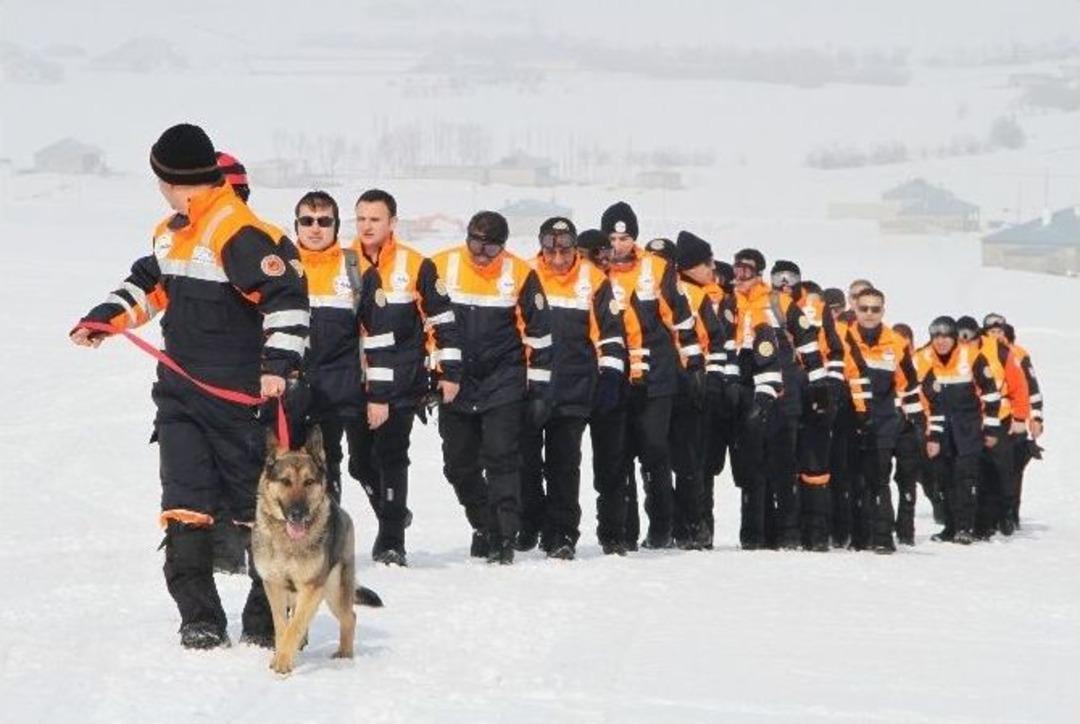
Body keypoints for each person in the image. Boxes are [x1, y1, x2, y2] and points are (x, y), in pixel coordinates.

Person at [70, 123, 308, 648]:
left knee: (258, 513)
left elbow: (287, 298)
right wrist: (103, 320)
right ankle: (199, 617)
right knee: (185, 504)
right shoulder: (171, 230)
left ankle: (267, 619)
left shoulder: (238, 231)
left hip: (240, 402)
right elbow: (147, 285)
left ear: (169, 178)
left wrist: (277, 366)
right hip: (180, 397)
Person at [430, 211, 552, 564]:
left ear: (505, 245)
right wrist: (431, 373)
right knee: (458, 464)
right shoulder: (441, 265)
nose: (482, 253)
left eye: (491, 246)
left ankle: (504, 535)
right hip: (456, 380)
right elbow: (423, 320)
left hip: (503, 379)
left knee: (502, 458)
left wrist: (539, 391)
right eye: (476, 243)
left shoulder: (520, 273)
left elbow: (541, 333)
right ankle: (483, 523)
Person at [350, 189, 461, 566]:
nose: (367, 226)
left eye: (375, 219)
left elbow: (443, 321)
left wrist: (449, 372)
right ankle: (391, 510)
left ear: (392, 223)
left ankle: (392, 539)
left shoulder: (417, 265)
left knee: (391, 455)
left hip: (402, 380)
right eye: (361, 218)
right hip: (354, 381)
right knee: (359, 463)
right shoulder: (344, 263)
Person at [519, 218, 626, 559]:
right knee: (526, 463)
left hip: (574, 388)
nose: (559, 257)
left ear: (574, 247)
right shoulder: (526, 274)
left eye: (565, 249)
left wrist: (609, 377)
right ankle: (531, 521)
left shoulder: (593, 279)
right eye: (551, 249)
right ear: (542, 247)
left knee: (565, 465)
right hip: (531, 386)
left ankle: (562, 534)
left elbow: (610, 333)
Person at [603, 202, 704, 550]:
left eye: (626, 237)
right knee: (620, 452)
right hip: (616, 374)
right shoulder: (595, 272)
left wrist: (693, 365)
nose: (619, 244)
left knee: (654, 448)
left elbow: (681, 318)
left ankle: (663, 524)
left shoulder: (656, 268)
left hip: (657, 374)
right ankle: (625, 530)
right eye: (613, 238)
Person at [840, 288, 922, 553]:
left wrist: (915, 424)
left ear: (883, 311)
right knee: (853, 480)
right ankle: (858, 536)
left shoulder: (896, 343)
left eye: (875, 309)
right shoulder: (843, 337)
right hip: (849, 419)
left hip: (883, 423)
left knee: (879, 479)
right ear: (855, 309)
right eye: (864, 308)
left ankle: (883, 537)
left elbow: (909, 385)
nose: (869, 314)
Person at [916, 317, 1002, 544]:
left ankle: (967, 527)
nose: (941, 341)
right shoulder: (926, 358)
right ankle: (950, 526)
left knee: (966, 478)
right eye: (936, 336)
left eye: (946, 336)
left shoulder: (971, 355)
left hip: (969, 428)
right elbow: (922, 393)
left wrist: (992, 429)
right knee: (944, 479)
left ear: (954, 337)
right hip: (941, 428)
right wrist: (930, 433)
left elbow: (991, 394)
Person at [576, 228, 634, 555]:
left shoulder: (619, 283)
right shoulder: (573, 282)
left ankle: (614, 532)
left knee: (613, 464)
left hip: (612, 380)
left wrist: (613, 378)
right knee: (562, 462)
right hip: (574, 381)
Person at [671, 231, 726, 550]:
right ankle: (692, 526)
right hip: (682, 383)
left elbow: (716, 343)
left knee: (686, 461)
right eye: (707, 262)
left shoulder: (701, 295)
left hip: (690, 385)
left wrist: (712, 381)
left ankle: (689, 526)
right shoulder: (695, 295)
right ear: (692, 266)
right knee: (689, 461)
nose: (712, 268)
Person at [728, 248, 785, 549]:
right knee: (746, 461)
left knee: (766, 461)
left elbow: (801, 344)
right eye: (737, 270)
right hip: (741, 380)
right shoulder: (730, 299)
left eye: (747, 271)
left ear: (759, 273)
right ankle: (751, 533)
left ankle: (767, 532)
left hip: (772, 385)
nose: (740, 276)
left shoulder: (775, 302)